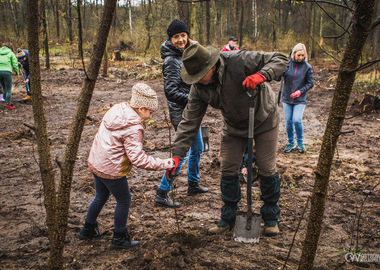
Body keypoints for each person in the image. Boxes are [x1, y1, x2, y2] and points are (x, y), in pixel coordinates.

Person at [166, 43, 287, 236]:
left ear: (211, 66)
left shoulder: (240, 61)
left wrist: (262, 75)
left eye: (200, 75)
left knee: (266, 167)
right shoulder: (199, 88)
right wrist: (177, 155)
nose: (197, 81)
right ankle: (228, 218)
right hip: (233, 126)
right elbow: (189, 121)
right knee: (228, 168)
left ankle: (271, 218)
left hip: (263, 119)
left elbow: (281, 58)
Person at [78, 83, 175, 249]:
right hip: (111, 169)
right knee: (124, 200)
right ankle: (119, 238)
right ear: (141, 107)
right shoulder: (133, 127)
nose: (151, 115)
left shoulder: (118, 109)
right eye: (150, 111)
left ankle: (87, 230)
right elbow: (138, 159)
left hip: (97, 162)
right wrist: (165, 163)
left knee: (100, 196)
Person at [154, 19, 208, 208]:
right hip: (182, 114)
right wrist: (194, 99)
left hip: (192, 111)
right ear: (170, 39)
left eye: (183, 35)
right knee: (182, 154)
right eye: (176, 36)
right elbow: (170, 91)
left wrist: (195, 46)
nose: (180, 39)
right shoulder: (171, 60)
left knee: (198, 148)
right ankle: (162, 191)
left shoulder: (186, 54)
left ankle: (193, 183)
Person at [281, 43, 314, 153]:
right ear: (294, 54)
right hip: (287, 98)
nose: (300, 58)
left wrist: (300, 91)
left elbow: (310, 83)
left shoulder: (307, 67)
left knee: (297, 120)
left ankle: (300, 142)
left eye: (302, 56)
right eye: (298, 55)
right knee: (289, 121)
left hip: (300, 99)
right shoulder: (287, 65)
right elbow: (278, 76)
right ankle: (291, 143)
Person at [0, 43, 19, 110]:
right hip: (7, 72)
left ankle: (5, 100)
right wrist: (17, 72)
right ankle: (8, 104)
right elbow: (15, 64)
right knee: (8, 89)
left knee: (4, 87)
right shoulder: (11, 53)